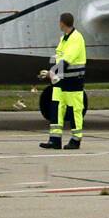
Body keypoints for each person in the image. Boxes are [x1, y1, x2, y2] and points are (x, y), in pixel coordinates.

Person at [41, 12, 86, 150]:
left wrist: (52, 72)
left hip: (73, 81)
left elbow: (67, 60)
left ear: (62, 23)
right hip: (60, 80)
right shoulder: (64, 39)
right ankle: (55, 139)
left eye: (59, 22)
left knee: (74, 110)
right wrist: (51, 70)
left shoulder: (76, 38)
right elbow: (58, 57)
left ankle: (76, 139)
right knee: (56, 108)